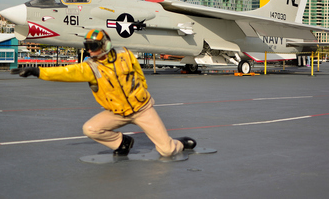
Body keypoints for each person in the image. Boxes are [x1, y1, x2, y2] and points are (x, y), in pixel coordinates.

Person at [11, 29, 196, 157]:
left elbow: (139, 75)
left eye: (94, 46)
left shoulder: (125, 54)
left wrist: (141, 93)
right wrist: (38, 72)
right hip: (117, 113)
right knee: (90, 129)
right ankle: (121, 143)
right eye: (88, 47)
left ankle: (178, 143)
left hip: (142, 109)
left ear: (105, 43)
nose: (91, 50)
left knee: (167, 151)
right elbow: (65, 72)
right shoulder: (90, 67)